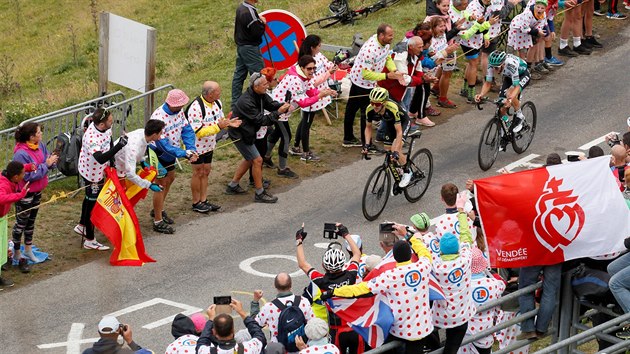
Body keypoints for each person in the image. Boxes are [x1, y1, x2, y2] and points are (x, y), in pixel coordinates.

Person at [321, 227, 434, 354]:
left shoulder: (390, 276)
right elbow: (424, 252)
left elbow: (361, 289)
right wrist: (409, 235)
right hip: (424, 327)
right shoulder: (423, 266)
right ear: (410, 254)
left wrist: (334, 292)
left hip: (401, 330)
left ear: (394, 257)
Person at [296, 223, 363, 354]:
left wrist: (299, 241)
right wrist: (345, 234)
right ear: (344, 264)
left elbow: (302, 264)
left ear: (323, 266)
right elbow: (357, 253)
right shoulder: (351, 275)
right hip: (356, 328)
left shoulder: (321, 281)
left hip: (336, 330)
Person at [227, 72, 290, 203]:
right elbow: (262, 120)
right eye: (264, 84)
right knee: (257, 160)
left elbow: (271, 104)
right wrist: (279, 112)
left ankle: (233, 185)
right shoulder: (246, 101)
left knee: (250, 159)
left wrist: (282, 105)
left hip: (248, 131)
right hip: (240, 134)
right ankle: (259, 192)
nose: (267, 86)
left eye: (267, 83)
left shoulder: (260, 94)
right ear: (255, 87)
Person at [343, 23, 405, 147]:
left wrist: (394, 71)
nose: (392, 38)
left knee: (351, 109)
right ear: (381, 35)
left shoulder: (384, 44)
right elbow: (366, 74)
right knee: (365, 113)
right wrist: (387, 76)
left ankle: (348, 138)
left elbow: (387, 57)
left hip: (367, 82)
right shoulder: (370, 50)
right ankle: (366, 144)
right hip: (362, 84)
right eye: (389, 35)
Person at [270, 55, 336, 169]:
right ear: (302, 68)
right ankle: (282, 169)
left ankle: (266, 157)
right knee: (286, 137)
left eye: (314, 68)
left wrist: (326, 91)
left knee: (277, 133)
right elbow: (304, 103)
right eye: (309, 68)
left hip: (284, 109)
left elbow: (311, 91)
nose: (312, 71)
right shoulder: (296, 80)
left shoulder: (305, 76)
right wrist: (320, 95)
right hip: (277, 109)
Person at [186, 81, 242, 213]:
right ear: (210, 94)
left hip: (210, 144)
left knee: (206, 171)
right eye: (218, 90)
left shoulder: (217, 103)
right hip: (196, 146)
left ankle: (204, 200)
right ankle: (196, 202)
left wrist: (229, 122)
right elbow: (198, 131)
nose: (220, 92)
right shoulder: (196, 107)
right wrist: (219, 127)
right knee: (198, 172)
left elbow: (220, 120)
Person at [431, 193, 476, 354]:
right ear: (457, 248)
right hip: (462, 315)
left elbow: (425, 251)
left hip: (441, 317)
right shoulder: (465, 258)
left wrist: (409, 235)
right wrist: (461, 210)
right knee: (451, 348)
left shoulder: (435, 264)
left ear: (440, 250)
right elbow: (465, 236)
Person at [76, 108, 127, 250]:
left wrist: (111, 162)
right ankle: (89, 239)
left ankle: (82, 225)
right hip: (91, 173)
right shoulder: (91, 137)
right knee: (93, 204)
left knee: (88, 199)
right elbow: (99, 158)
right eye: (110, 121)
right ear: (102, 124)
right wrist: (119, 146)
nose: (112, 122)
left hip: (99, 170)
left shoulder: (105, 129)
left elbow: (109, 140)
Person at [149, 89, 198, 234]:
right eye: (180, 105)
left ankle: (158, 208)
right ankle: (157, 220)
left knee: (170, 178)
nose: (182, 107)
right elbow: (163, 145)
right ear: (171, 104)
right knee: (160, 184)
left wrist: (191, 148)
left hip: (172, 150)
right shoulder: (159, 117)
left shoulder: (179, 111)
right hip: (158, 152)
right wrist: (184, 153)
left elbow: (187, 130)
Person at [12, 122, 58, 268]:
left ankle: (28, 249)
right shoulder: (20, 154)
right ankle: (17, 252)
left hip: (38, 190)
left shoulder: (40, 145)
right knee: (21, 223)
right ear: (31, 137)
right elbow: (28, 176)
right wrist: (46, 165)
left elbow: (46, 160)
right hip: (25, 193)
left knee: (31, 221)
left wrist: (51, 162)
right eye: (39, 132)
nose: (41, 134)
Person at [291, 35, 337, 158]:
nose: (320, 48)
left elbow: (326, 63)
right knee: (307, 123)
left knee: (305, 121)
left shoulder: (318, 55)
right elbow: (313, 81)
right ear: (312, 47)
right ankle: (306, 153)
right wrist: (328, 74)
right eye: (319, 46)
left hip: (318, 94)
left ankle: (296, 146)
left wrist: (332, 66)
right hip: (310, 95)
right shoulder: (305, 62)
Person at [361, 87, 413, 188]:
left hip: (402, 123)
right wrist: (367, 145)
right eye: (372, 102)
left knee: (394, 149)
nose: (374, 106)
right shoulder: (369, 109)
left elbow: (399, 132)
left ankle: (407, 171)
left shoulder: (392, 108)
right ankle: (399, 172)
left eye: (377, 104)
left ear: (384, 103)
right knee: (388, 150)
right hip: (390, 124)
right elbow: (368, 127)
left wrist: (396, 152)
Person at [460, 247, 506, 354]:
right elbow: (502, 282)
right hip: (486, 331)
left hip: (466, 333)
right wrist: (491, 273)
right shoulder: (494, 284)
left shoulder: (462, 287)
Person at [475, 51, 531, 137]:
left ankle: (520, 116)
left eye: (496, 68)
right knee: (501, 106)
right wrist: (481, 94)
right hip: (509, 76)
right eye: (493, 67)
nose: (494, 70)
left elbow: (516, 86)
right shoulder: (492, 65)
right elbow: (488, 83)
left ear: (504, 64)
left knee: (509, 94)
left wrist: (510, 99)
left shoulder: (511, 65)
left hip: (522, 75)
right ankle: (507, 128)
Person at [255, 272, 315, 343]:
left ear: (275, 286)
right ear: (291, 285)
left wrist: (255, 301)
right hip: (301, 345)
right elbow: (312, 322)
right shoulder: (304, 301)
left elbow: (254, 324)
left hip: (279, 348)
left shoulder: (269, 307)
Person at [449, 0, 489, 103]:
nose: (468, 5)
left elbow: (478, 23)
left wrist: (485, 35)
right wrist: (482, 24)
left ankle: (465, 89)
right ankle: (471, 94)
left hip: (475, 40)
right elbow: (469, 32)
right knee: (474, 64)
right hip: (467, 41)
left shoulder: (465, 8)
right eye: (465, 4)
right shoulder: (457, 12)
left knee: (471, 64)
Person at [231, 0, 266, 110]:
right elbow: (257, 32)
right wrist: (262, 23)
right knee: (259, 76)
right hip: (250, 48)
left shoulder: (241, 7)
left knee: (239, 76)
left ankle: (235, 104)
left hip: (242, 47)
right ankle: (260, 104)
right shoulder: (248, 12)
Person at [197, 299, 266, 354]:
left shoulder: (205, 351)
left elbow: (202, 341)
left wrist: (211, 319)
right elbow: (259, 335)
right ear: (233, 330)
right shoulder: (250, 348)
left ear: (214, 332)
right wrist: (242, 313)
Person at [113, 119, 165, 192]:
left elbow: (142, 147)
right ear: (154, 135)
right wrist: (149, 185)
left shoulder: (143, 132)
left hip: (122, 167)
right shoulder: (133, 147)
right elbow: (130, 175)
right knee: (119, 197)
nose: (160, 137)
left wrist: (142, 160)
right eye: (160, 133)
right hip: (114, 169)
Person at [0, 161, 29, 284]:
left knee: (2, 248)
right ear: (16, 177)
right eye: (23, 173)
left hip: (2, 218)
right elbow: (1, 198)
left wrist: (28, 167)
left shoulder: (10, 176)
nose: (24, 175)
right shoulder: (3, 184)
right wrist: (20, 195)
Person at [82, 316, 150, 354]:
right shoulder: (126, 353)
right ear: (119, 331)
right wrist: (130, 341)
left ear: (99, 333)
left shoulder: (87, 352)